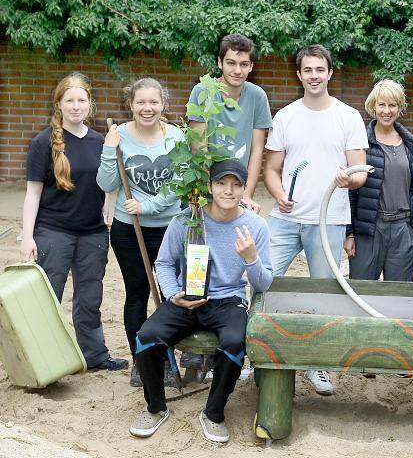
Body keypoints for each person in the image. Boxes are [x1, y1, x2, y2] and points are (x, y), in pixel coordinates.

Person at [128, 159, 273, 444]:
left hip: (228, 300)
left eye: (236, 184)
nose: (228, 191)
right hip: (187, 296)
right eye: (221, 183)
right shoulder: (186, 220)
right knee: (145, 337)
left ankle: (213, 413)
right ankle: (156, 408)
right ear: (210, 186)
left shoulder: (255, 227)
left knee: (234, 342)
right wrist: (173, 294)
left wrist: (251, 258)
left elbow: (264, 283)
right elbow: (165, 263)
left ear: (245, 189)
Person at [263, 44, 368, 396]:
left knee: (324, 293)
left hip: (329, 220)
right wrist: (278, 194)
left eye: (319, 69)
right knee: (264, 282)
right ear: (299, 74)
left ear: (329, 73)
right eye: (307, 70)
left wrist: (347, 179)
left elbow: (360, 172)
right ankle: (257, 355)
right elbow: (271, 169)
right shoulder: (286, 116)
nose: (314, 76)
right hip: (285, 219)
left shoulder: (347, 116)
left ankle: (317, 365)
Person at [22, 72, 127, 372]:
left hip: (92, 234)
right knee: (48, 298)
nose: (76, 106)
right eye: (70, 100)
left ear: (90, 104)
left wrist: (108, 213)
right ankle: (44, 358)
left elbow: (109, 182)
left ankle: (94, 355)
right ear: (59, 104)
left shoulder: (100, 142)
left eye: (82, 100)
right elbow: (32, 194)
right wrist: (28, 237)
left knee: (90, 298)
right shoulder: (44, 143)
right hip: (54, 232)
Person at [96, 78, 185, 386]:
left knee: (169, 296)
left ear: (163, 104)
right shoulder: (118, 135)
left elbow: (180, 184)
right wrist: (109, 150)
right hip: (128, 231)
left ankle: (166, 358)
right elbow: (107, 184)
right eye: (141, 103)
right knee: (137, 294)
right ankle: (140, 361)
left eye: (154, 102)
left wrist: (148, 206)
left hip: (169, 230)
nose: (147, 108)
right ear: (130, 104)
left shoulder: (176, 137)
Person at [346, 80, 413, 282]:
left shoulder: (408, 143)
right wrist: (349, 234)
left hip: (403, 228)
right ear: (373, 106)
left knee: (398, 295)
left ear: (400, 108)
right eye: (382, 105)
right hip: (369, 228)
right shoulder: (361, 142)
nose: (387, 111)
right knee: (362, 291)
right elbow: (349, 192)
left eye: (393, 105)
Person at [188, 33, 272, 213]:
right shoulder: (203, 91)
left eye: (244, 64)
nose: (237, 71)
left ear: (251, 66)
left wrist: (246, 194)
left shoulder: (258, 96)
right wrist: (210, 191)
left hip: (238, 185)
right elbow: (198, 147)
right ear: (220, 62)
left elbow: (257, 150)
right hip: (206, 186)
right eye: (231, 63)